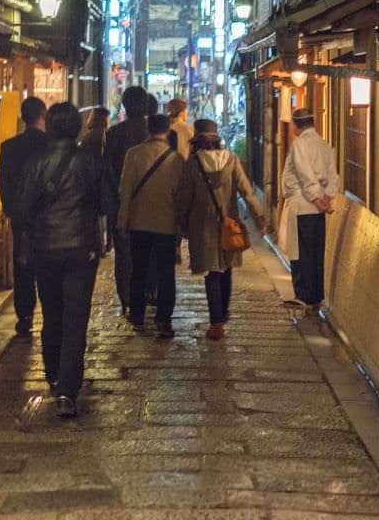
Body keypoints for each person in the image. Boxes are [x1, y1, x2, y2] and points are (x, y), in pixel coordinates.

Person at [12, 103, 110, 418]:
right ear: (77, 127)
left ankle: (54, 375)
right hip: (82, 249)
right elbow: (107, 203)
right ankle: (68, 390)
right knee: (76, 319)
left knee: (52, 314)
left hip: (46, 248)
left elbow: (22, 208)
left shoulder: (36, 162)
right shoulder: (90, 161)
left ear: (50, 127)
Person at [176, 118, 268, 341]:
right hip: (229, 224)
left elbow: (183, 199)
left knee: (212, 273)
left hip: (203, 226)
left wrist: (180, 223)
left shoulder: (193, 164)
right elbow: (247, 192)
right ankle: (223, 312)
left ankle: (216, 323)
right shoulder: (232, 160)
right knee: (226, 269)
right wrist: (260, 218)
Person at [117, 114, 185, 338]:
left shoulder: (134, 154)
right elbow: (180, 196)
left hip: (139, 222)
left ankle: (137, 315)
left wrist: (122, 220)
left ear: (148, 129)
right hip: (166, 224)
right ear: (167, 130)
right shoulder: (176, 159)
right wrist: (181, 227)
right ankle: (163, 318)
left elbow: (125, 190)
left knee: (139, 270)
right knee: (166, 273)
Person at [0, 96, 51, 339]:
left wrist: (12, 210)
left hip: (22, 218)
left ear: (23, 117)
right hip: (48, 218)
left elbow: (4, 182)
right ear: (43, 116)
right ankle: (50, 313)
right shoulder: (51, 145)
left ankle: (25, 315)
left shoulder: (9, 147)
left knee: (23, 265)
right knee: (48, 265)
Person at [103, 86, 156, 314]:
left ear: (124, 106)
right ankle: (148, 292)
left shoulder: (114, 134)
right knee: (150, 250)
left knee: (124, 254)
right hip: (153, 205)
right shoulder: (156, 132)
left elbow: (107, 171)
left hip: (121, 203)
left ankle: (127, 298)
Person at [281, 109, 339, 312]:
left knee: (301, 252)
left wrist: (315, 197)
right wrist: (327, 197)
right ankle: (315, 295)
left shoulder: (299, 144)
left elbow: (304, 172)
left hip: (302, 203)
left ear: (296, 125)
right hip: (318, 206)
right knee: (316, 251)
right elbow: (333, 175)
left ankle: (303, 294)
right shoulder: (323, 144)